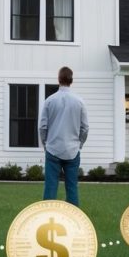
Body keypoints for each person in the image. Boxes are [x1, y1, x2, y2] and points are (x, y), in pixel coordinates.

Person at [40, 66, 89, 207]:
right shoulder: (79, 101)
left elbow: (42, 126)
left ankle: (46, 215)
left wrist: (45, 143)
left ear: (58, 80)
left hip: (53, 148)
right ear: (71, 81)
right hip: (72, 150)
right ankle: (74, 219)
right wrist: (79, 143)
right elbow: (85, 127)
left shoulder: (49, 100)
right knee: (72, 187)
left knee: (50, 187)